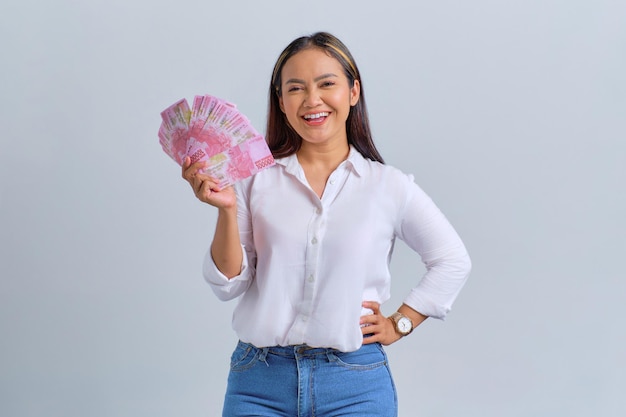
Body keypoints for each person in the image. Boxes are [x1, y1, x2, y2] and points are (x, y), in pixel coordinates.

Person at [182, 32, 471, 417]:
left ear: (353, 91)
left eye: (327, 84)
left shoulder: (389, 186)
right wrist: (225, 209)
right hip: (259, 383)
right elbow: (229, 282)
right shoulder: (253, 180)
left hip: (354, 385)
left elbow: (452, 260)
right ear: (281, 102)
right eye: (296, 88)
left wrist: (402, 322)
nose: (312, 100)